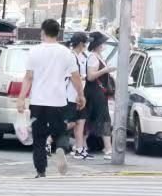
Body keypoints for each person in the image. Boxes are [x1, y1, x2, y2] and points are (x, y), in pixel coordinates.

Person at [16, 19, 85, 178]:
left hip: (38, 102)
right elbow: (75, 77)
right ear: (58, 33)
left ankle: (41, 171)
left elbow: (28, 77)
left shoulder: (34, 52)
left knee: (39, 138)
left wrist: (21, 99)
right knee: (60, 131)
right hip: (59, 101)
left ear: (42, 32)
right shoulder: (66, 53)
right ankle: (60, 148)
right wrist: (81, 96)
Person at [85, 31, 115, 160]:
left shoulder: (98, 56)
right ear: (97, 44)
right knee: (103, 119)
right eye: (103, 42)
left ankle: (80, 144)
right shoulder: (93, 57)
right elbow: (90, 76)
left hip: (98, 92)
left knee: (91, 118)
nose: (104, 45)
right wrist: (105, 70)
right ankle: (108, 148)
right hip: (95, 92)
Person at [67, 32, 91, 160]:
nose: (87, 45)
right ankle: (47, 140)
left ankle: (79, 149)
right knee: (70, 123)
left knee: (81, 122)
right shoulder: (71, 57)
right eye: (86, 42)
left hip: (80, 94)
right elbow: (73, 77)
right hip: (72, 95)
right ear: (81, 43)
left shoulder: (82, 56)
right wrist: (78, 94)